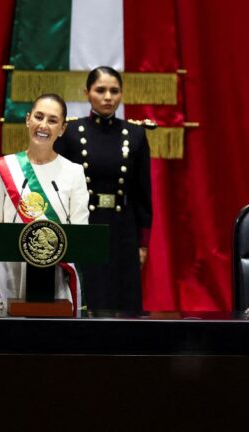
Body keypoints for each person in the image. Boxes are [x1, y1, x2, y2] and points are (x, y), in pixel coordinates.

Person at [0, 94, 89, 317]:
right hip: (9, 272)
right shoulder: (4, 167)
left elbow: (80, 233)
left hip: (55, 276)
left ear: (62, 128)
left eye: (52, 120)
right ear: (28, 119)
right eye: (38, 117)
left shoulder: (74, 172)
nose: (43, 125)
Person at [54, 66, 152, 314]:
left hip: (123, 226)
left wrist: (143, 244)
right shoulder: (72, 132)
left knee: (124, 300)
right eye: (100, 90)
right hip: (84, 224)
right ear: (87, 93)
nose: (108, 97)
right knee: (89, 295)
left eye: (114, 91)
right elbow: (61, 189)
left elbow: (143, 194)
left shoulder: (135, 134)